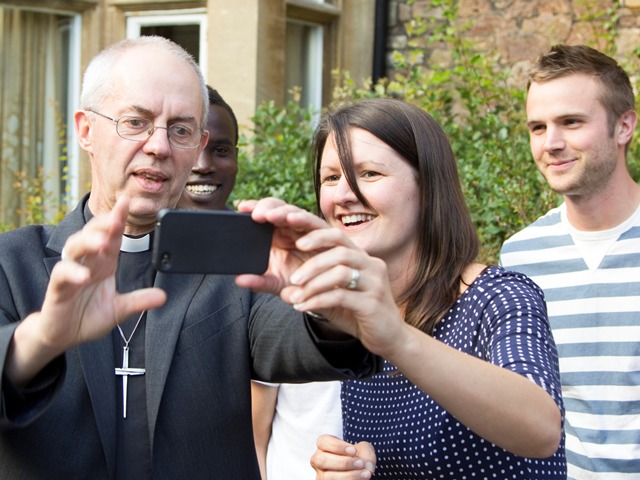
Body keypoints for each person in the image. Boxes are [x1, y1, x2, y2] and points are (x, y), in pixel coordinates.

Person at [0, 36, 381, 480]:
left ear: (198, 142)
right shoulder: (12, 262)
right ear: (86, 130)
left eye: (180, 130)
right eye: (135, 122)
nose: (159, 146)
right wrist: (43, 338)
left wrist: (326, 294)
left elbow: (304, 344)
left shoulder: (235, 262)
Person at [254, 98, 567, 478]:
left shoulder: (497, 296)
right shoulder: (352, 322)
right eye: (331, 178)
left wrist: (395, 338)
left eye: (369, 173)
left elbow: (542, 429)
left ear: (427, 184)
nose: (343, 195)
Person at [500, 44, 640, 479]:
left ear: (624, 126)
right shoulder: (519, 256)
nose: (551, 144)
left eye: (571, 122)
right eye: (537, 127)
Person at [177, 85, 238, 211]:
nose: (203, 166)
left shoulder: (258, 230)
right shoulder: (127, 228)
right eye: (188, 147)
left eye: (220, 150)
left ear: (236, 158)